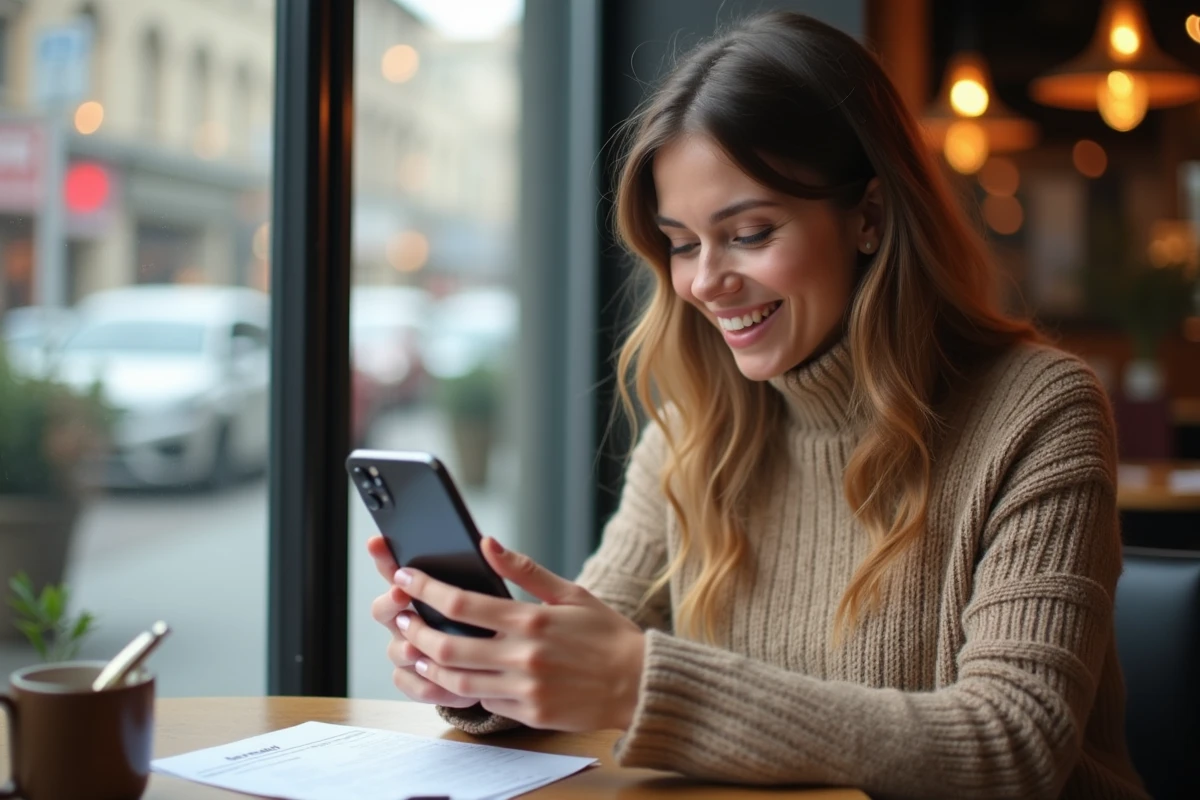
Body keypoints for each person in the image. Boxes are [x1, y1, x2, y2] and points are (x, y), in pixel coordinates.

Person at [367, 11, 1148, 799]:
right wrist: (484, 672)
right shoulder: (695, 431)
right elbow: (591, 651)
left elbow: (1014, 743)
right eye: (681, 243)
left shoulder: (1038, 410)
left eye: (748, 233)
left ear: (870, 217)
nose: (705, 281)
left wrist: (642, 687)